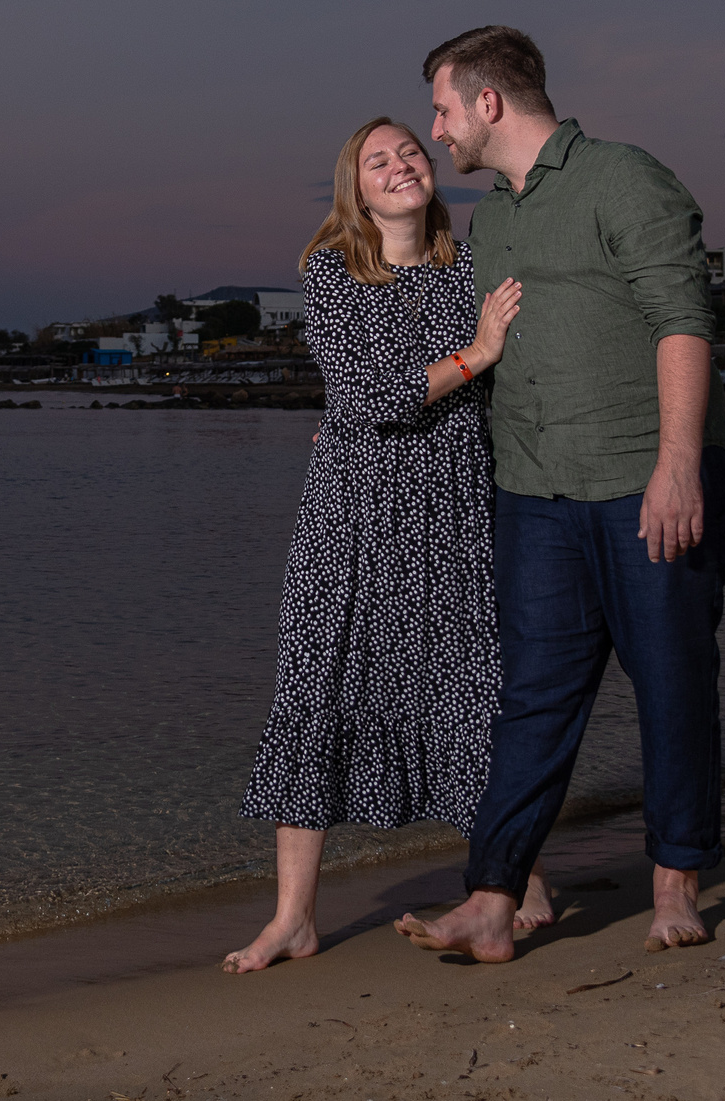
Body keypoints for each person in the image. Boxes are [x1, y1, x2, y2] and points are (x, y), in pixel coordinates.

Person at [397, 26, 725, 962]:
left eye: (442, 106)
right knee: (533, 696)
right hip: (534, 493)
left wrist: (677, 464)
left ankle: (675, 879)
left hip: (646, 480)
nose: (437, 128)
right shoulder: (491, 219)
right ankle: (493, 896)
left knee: (672, 682)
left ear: (488, 103)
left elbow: (682, 320)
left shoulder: (626, 179)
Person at [223, 117, 524, 973]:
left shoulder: (470, 264)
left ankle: (516, 883)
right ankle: (292, 918)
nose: (402, 166)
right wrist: (478, 355)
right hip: (351, 517)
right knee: (316, 691)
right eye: (378, 160)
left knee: (474, 689)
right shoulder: (332, 270)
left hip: (456, 508)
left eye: (412, 153)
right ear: (354, 190)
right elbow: (367, 396)